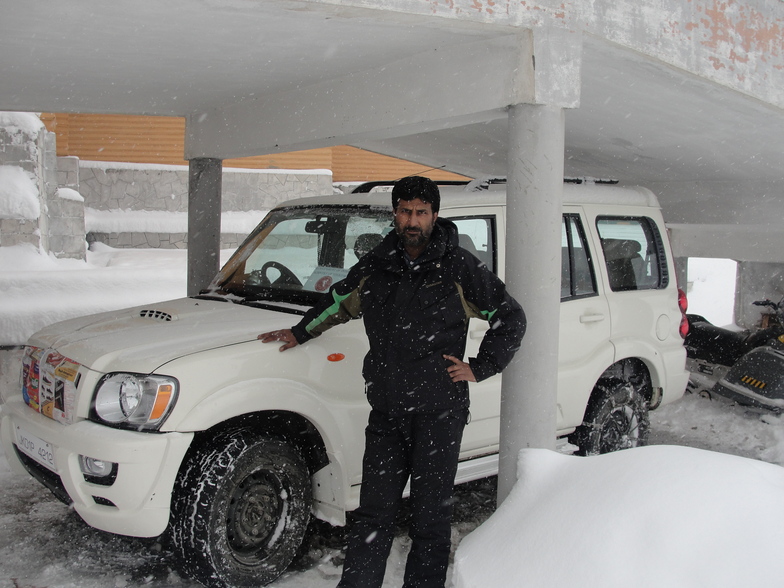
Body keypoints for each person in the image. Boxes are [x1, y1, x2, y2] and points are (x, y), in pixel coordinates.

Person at [258, 176, 525, 588]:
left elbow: (510, 318)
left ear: (435, 215)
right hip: (387, 413)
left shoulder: (458, 267)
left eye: (420, 212)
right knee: (372, 515)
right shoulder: (379, 263)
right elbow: (339, 303)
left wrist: (481, 365)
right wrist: (300, 332)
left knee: (429, 518)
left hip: (439, 413)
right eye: (404, 211)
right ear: (395, 214)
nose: (412, 220)